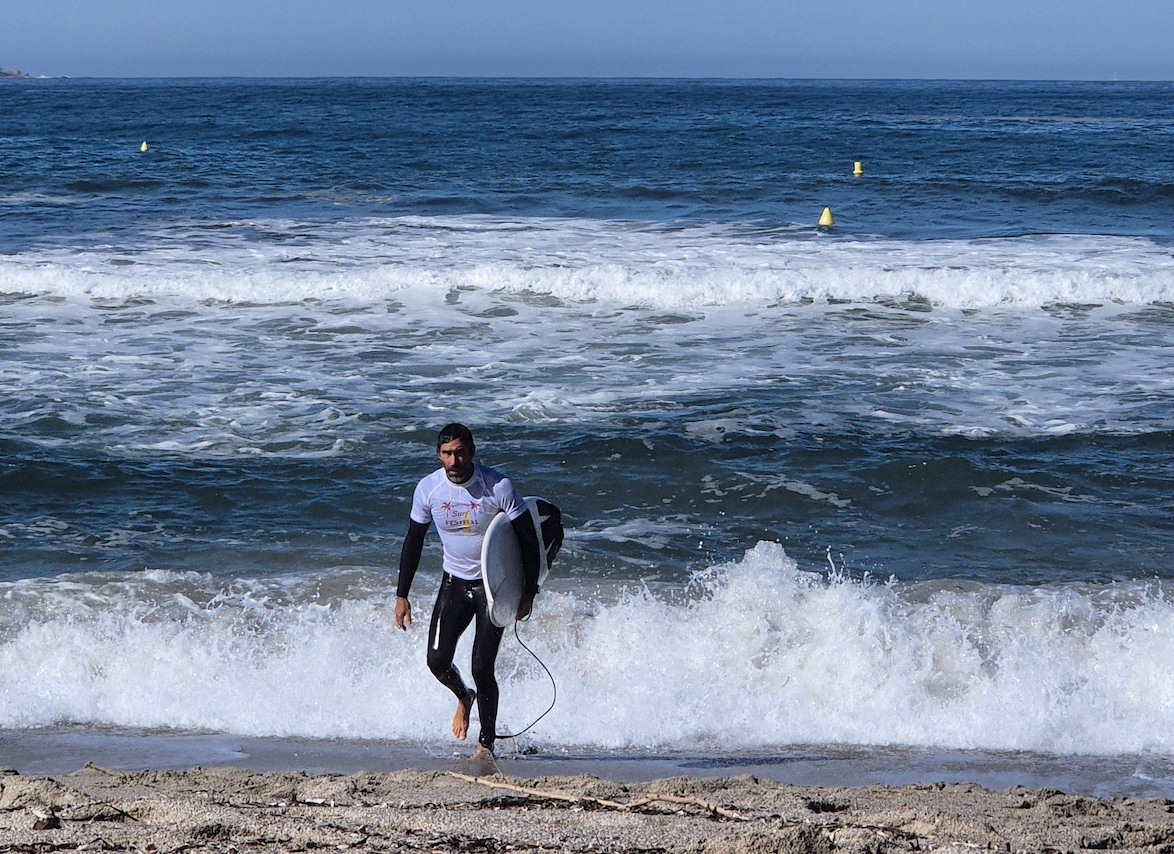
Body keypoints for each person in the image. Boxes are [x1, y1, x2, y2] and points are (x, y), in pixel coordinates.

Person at [394, 423, 541, 758]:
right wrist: (402, 595)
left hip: (494, 587)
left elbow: (528, 539)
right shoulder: (428, 489)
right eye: (447, 453)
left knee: (481, 666)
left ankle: (486, 742)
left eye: (460, 452)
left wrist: (527, 591)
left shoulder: (497, 486)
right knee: (436, 660)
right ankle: (464, 696)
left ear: (472, 452)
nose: (454, 460)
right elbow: (413, 542)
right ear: (438, 455)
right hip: (454, 585)